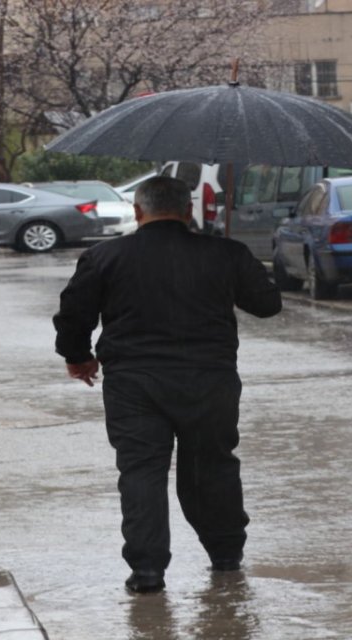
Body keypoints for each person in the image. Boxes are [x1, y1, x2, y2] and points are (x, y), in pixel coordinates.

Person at [53, 176, 282, 594]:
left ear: (138, 212)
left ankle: (147, 572)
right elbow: (267, 305)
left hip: (133, 384)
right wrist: (238, 261)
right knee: (211, 466)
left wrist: (78, 357)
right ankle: (226, 556)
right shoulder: (224, 252)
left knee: (141, 472)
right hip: (209, 380)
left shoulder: (105, 256)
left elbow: (74, 314)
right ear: (188, 211)